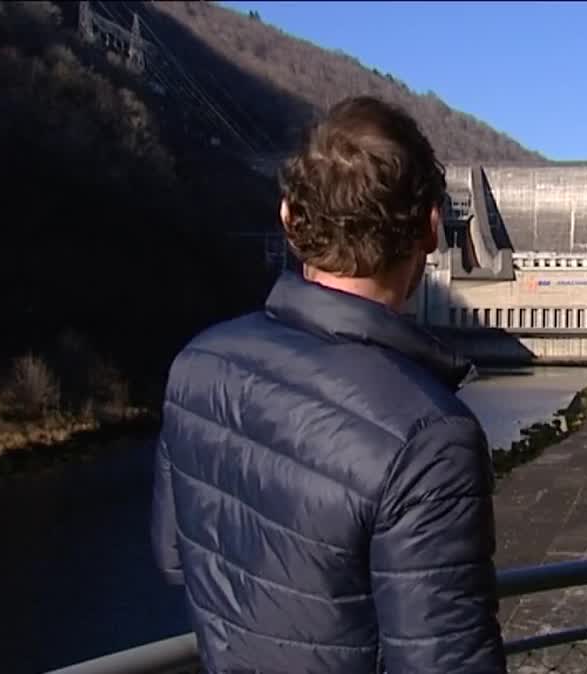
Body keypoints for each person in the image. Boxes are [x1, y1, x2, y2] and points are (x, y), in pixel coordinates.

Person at [150, 96, 506, 674]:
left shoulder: (199, 363)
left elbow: (175, 559)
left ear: (289, 218)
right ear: (432, 228)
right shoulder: (429, 439)